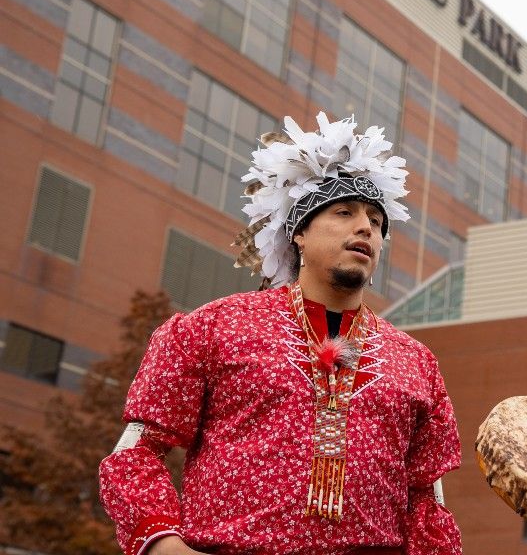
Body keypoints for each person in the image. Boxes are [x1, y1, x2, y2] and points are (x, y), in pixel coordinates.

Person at [100, 113, 462, 555]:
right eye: (345, 212)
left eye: (376, 221)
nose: (366, 227)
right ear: (299, 234)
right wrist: (163, 545)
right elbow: (135, 455)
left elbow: (427, 500)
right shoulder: (213, 328)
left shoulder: (417, 363)